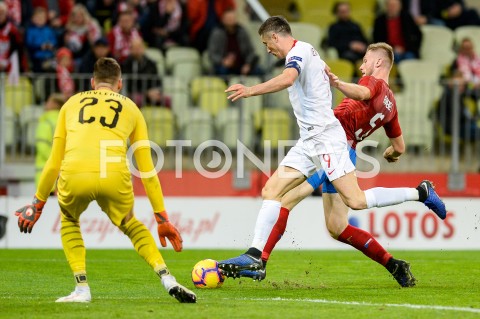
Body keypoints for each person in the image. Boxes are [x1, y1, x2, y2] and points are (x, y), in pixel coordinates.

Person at [219, 17, 446, 286]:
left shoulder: (370, 81)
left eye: (365, 60)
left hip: (330, 140)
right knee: (313, 214)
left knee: (340, 200)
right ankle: (256, 256)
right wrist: (391, 155)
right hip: (315, 141)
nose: (361, 65)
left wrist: (250, 90)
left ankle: (420, 192)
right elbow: (399, 147)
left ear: (378, 63)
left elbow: (356, 90)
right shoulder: (390, 103)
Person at [14, 57, 196, 303]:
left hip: (75, 172)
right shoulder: (132, 108)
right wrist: (161, 218)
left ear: (92, 82)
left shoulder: (70, 104)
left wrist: (37, 203)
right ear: (119, 84)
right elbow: (148, 171)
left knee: (69, 220)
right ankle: (167, 277)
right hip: (113, 172)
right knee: (131, 225)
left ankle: (81, 289)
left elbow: (53, 162)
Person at [207, 8, 260, 76]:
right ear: (223, 20)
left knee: (258, 70)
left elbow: (251, 51)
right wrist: (223, 61)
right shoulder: (217, 33)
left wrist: (248, 64)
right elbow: (212, 54)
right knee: (222, 71)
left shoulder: (242, 31)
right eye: (228, 18)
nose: (231, 20)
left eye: (232, 18)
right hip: (223, 65)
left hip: (242, 65)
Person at [121, 38, 167, 107]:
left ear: (143, 48)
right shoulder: (126, 64)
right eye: (135, 47)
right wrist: (146, 93)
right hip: (135, 94)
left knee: (167, 100)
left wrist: (156, 91)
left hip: (150, 93)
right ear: (131, 49)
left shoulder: (151, 64)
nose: (137, 50)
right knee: (137, 99)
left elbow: (158, 81)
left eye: (139, 47)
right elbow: (128, 85)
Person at [327, 1, 369, 65]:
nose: (344, 13)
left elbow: (365, 40)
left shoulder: (356, 25)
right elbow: (332, 43)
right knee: (351, 57)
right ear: (337, 13)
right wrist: (350, 45)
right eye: (342, 11)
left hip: (361, 52)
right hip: (345, 52)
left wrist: (363, 46)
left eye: (346, 11)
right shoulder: (334, 27)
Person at [25, 6, 57, 72]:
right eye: (38, 17)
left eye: (42, 17)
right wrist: (40, 46)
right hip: (36, 58)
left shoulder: (49, 30)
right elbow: (29, 44)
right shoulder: (31, 31)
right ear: (33, 18)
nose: (40, 19)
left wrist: (51, 45)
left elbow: (54, 41)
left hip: (49, 56)